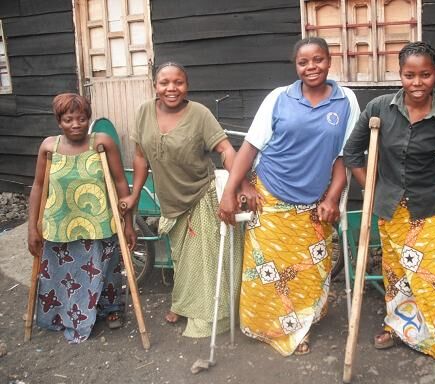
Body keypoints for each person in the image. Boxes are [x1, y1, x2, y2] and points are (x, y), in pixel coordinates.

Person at [343, 41, 435, 378]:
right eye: (409, 75)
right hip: (391, 211)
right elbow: (352, 153)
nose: (416, 82)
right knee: (400, 277)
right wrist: (371, 190)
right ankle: (406, 329)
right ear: (399, 74)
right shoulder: (379, 107)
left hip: (431, 210)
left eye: (424, 75)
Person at [217, 37, 360, 355]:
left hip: (313, 204)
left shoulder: (346, 101)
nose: (312, 67)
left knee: (308, 269)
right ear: (296, 66)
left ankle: (301, 321)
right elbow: (250, 148)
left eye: (318, 59)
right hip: (270, 198)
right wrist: (233, 190)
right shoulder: (278, 98)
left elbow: (343, 157)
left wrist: (333, 197)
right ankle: (275, 328)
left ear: (329, 60)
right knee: (269, 271)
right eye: (303, 62)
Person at [119, 62, 245, 337]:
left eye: (178, 82)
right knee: (180, 257)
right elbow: (141, 157)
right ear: (155, 85)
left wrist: (236, 187)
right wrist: (135, 192)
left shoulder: (199, 114)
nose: (171, 88)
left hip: (201, 194)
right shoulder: (143, 112)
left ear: (186, 86)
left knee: (204, 261)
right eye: (165, 82)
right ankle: (183, 303)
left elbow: (225, 148)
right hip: (170, 199)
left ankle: (210, 312)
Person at [28, 93, 136, 343]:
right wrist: (32, 228)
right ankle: (67, 313)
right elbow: (37, 186)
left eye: (81, 118)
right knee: (64, 274)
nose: (75, 124)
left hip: (100, 224)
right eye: (68, 120)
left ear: (89, 119)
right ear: (59, 122)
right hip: (60, 224)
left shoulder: (102, 142)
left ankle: (110, 310)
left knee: (107, 271)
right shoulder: (48, 147)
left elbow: (121, 183)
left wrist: (128, 223)